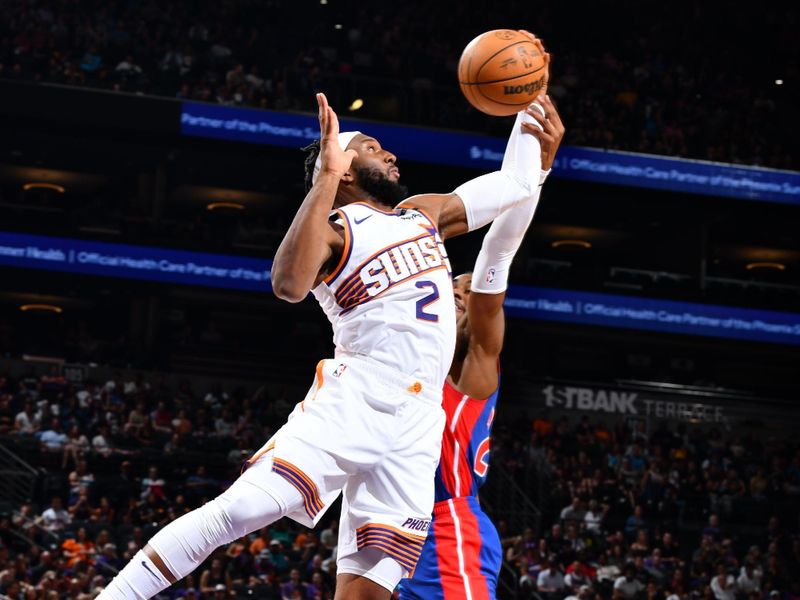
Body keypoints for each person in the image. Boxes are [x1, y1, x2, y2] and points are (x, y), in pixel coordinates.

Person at [98, 32, 549, 600]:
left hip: (419, 420)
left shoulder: (423, 214)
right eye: (372, 147)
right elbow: (288, 284)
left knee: (369, 589)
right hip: (359, 394)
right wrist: (323, 180)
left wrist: (529, 105)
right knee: (239, 510)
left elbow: (512, 185)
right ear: (346, 168)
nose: (389, 153)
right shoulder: (336, 231)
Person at [399, 93, 564, 600]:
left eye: (467, 295)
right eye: (451, 285)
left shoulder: (473, 371)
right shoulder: (405, 354)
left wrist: (534, 163)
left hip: (446, 529)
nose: (458, 292)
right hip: (389, 528)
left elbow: (499, 249)